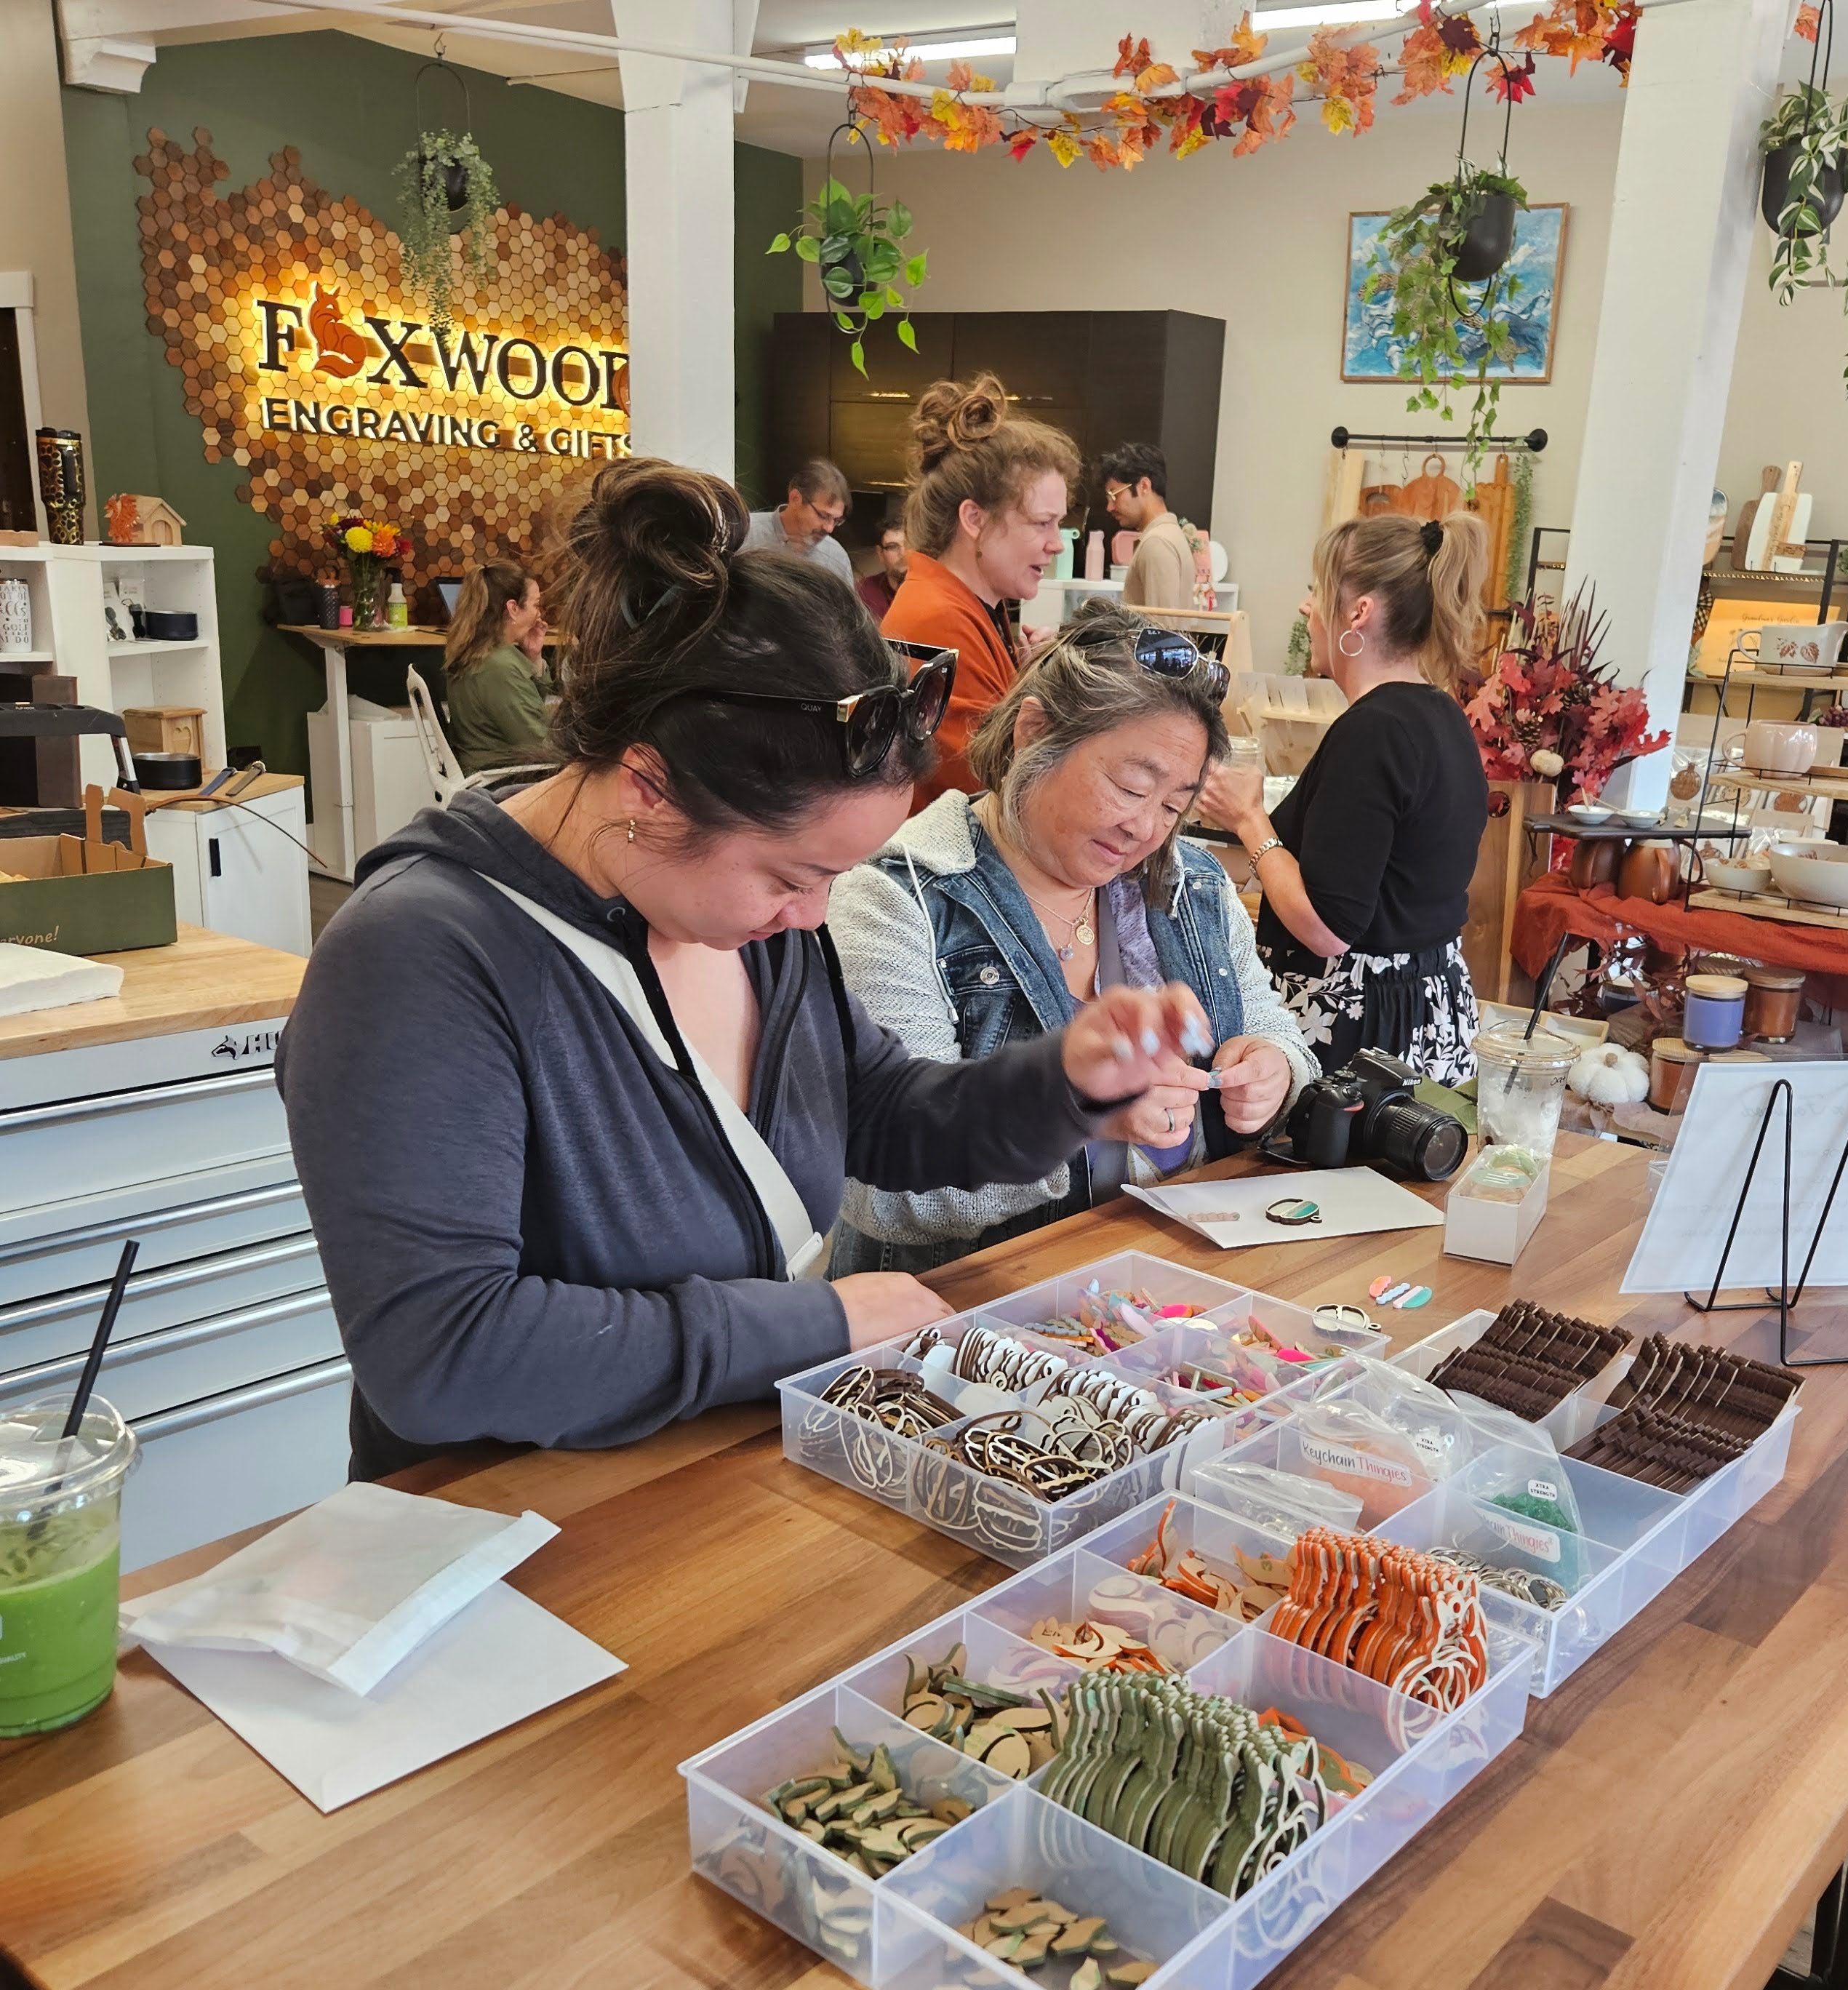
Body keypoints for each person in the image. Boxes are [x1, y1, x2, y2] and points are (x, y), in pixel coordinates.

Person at [279, 458, 1215, 1481]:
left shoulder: (755, 928)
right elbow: (444, 1353)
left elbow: (881, 1114)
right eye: (793, 875)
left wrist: (1065, 1082)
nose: (813, 915)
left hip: (721, 1490)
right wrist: (814, 1325)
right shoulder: (416, 961)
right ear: (649, 790)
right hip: (515, 1526)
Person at [828, 605, 1315, 1275]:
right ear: (1035, 732)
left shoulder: (1190, 884)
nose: (1146, 829)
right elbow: (884, 1192)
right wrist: (1078, 1114)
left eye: (1173, 806)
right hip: (974, 1305)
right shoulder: (899, 897)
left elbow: (1274, 1030)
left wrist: (1274, 1068)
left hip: (1173, 1286)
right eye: (1130, 787)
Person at [1196, 512, 1491, 1083]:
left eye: (1317, 590)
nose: (1306, 607)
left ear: (1358, 612)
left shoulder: (1373, 731)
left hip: (1359, 1032)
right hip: (1427, 1011)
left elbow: (1327, 927)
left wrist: (1249, 819)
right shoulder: (1442, 715)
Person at [881, 374, 1079, 805]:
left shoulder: (972, 607)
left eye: (1059, 524)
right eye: (1041, 523)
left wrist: (1030, 679)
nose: (1057, 543)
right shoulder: (937, 621)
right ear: (975, 520)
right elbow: (991, 780)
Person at [441, 560, 551, 773]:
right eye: (536, 605)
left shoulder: (477, 652)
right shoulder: (500, 667)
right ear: (513, 609)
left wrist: (533, 656)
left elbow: (529, 710)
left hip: (482, 771)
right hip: (506, 777)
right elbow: (539, 744)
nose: (539, 614)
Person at [1097, 442, 1196, 612]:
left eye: (1115, 495)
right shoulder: (1170, 535)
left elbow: (1160, 625)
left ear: (1144, 486)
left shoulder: (1157, 542)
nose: (1110, 507)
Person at [745, 457, 855, 589]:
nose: (829, 528)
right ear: (795, 498)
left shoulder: (836, 557)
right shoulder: (745, 533)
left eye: (836, 521)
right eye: (823, 515)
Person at [857, 520, 907, 620]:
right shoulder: (865, 592)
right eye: (893, 547)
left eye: (909, 545)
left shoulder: (932, 589)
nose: (903, 554)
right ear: (880, 553)